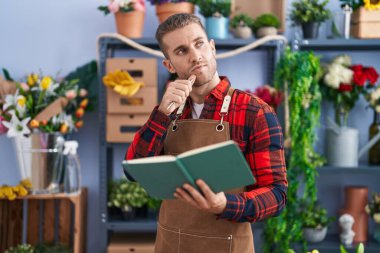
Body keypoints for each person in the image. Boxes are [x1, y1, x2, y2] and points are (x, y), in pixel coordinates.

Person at [126, 13, 287, 253]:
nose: (195, 56)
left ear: (212, 48)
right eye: (181, 51)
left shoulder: (255, 112)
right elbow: (133, 169)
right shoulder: (167, 113)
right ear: (169, 65)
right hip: (171, 244)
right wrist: (160, 115)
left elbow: (276, 194)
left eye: (199, 44)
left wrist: (225, 204)